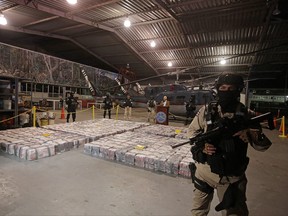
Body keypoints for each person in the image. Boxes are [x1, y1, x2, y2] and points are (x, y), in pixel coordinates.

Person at [187, 73, 272, 216]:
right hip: (205, 172)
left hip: (231, 178)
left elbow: (262, 146)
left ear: (238, 90)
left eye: (231, 88)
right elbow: (192, 132)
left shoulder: (246, 114)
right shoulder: (207, 111)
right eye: (223, 88)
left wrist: (251, 133)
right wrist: (202, 147)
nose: (226, 91)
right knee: (198, 211)